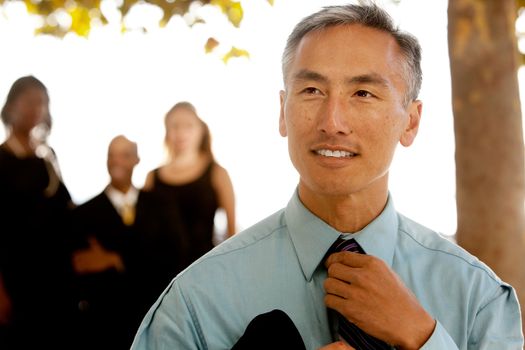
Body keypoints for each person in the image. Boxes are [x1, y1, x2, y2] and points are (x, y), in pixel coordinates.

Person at [130, 2, 524, 350]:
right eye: (313, 90)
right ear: (282, 112)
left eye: (363, 94)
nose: (332, 122)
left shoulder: (480, 300)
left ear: (411, 122)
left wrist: (424, 338)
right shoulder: (194, 302)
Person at [0, 75, 77, 349]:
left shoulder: (48, 157)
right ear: (11, 105)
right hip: (17, 278)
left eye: (42, 102)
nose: (37, 108)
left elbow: (66, 209)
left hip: (56, 276)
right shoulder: (2, 160)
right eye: (30, 100)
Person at [70, 134, 148, 349]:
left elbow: (171, 257)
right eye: (111, 156)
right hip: (103, 325)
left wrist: (115, 259)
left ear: (137, 159)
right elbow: (79, 266)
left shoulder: (160, 207)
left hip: (149, 318)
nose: (116, 162)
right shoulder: (83, 214)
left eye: (124, 155)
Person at [143, 101, 236, 267]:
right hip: (157, 275)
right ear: (166, 131)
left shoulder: (217, 173)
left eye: (188, 125)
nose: (180, 132)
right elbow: (143, 233)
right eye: (174, 126)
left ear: (201, 130)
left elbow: (232, 234)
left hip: (203, 272)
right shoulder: (152, 177)